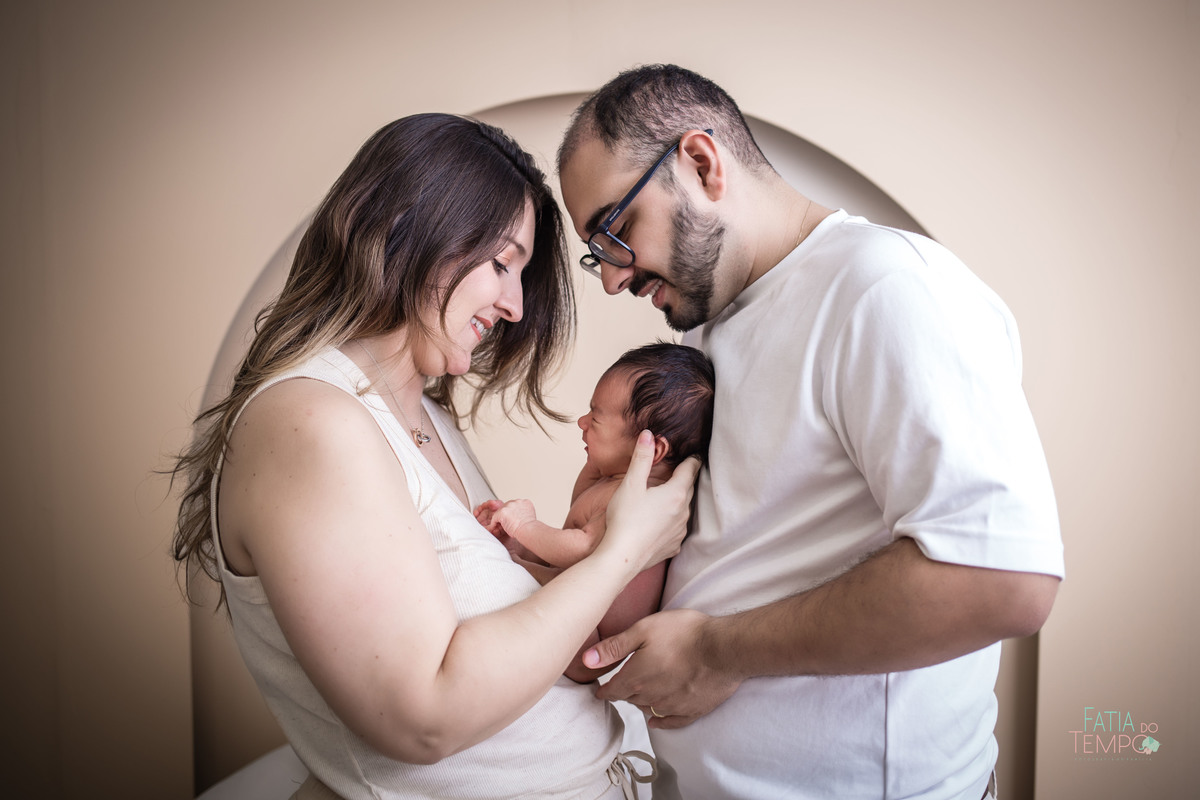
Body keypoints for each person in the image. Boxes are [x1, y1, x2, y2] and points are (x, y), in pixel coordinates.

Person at [555, 65, 1065, 800]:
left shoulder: (887, 290)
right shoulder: (710, 329)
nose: (611, 278)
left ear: (701, 163)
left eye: (616, 229)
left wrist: (714, 652)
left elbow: (1001, 579)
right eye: (597, 252)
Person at [170, 113, 700, 800]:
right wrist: (623, 551)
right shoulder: (310, 422)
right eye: (501, 262)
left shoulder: (426, 416)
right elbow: (422, 717)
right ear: (405, 230)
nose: (514, 305)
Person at [474, 342, 715, 681]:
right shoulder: (609, 478)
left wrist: (524, 526)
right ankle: (517, 556)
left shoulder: (639, 502)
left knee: (525, 570)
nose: (582, 421)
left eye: (596, 418)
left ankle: (516, 561)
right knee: (529, 564)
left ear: (652, 449)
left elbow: (581, 547)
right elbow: (572, 534)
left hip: (588, 640)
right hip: (576, 611)